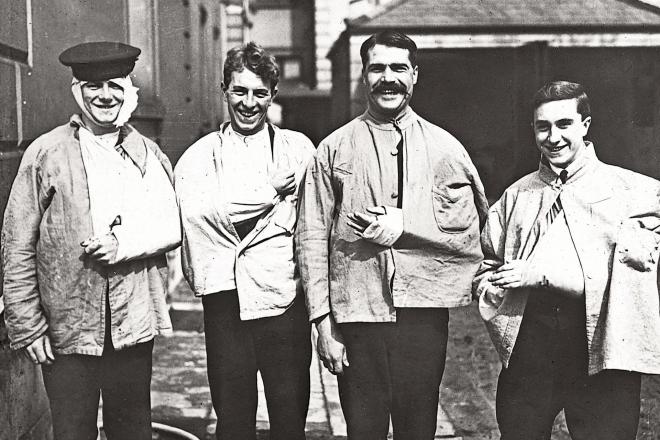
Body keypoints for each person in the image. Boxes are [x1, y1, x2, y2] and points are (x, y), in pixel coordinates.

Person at [295, 31, 487, 440]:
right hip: (357, 316)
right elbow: (310, 239)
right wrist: (323, 324)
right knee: (363, 430)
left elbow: (473, 232)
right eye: (377, 68)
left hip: (423, 315)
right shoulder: (332, 149)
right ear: (363, 76)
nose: (388, 78)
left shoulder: (446, 148)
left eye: (398, 68)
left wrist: (409, 223)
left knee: (418, 429)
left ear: (414, 75)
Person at [1, 42, 180, 440]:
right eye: (92, 85)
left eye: (113, 85)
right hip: (68, 327)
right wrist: (28, 327)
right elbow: (16, 245)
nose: (104, 95)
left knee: (132, 429)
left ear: (128, 90)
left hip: (131, 325)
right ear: (78, 91)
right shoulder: (46, 153)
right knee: (72, 430)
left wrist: (125, 243)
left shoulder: (147, 154)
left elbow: (170, 226)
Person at [473, 80, 660, 440]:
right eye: (543, 127)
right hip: (531, 347)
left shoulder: (633, 191)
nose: (553, 137)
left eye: (564, 124)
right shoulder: (517, 196)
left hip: (601, 347)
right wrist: (496, 285)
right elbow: (486, 266)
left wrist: (545, 275)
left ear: (585, 126)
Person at [174, 42, 314, 440]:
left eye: (259, 93)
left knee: (289, 419)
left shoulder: (298, 149)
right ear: (224, 90)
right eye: (239, 91)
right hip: (226, 305)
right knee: (233, 420)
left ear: (273, 94)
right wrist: (268, 191)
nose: (248, 103)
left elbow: (315, 221)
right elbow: (203, 216)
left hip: (284, 302)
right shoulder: (200, 157)